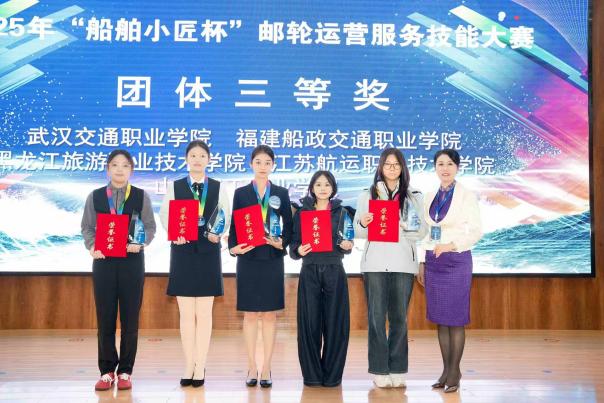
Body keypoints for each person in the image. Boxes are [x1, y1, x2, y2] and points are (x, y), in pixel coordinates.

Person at [81, 149, 156, 391]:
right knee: (105, 318)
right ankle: (106, 372)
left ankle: (125, 371)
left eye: (125, 165)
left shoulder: (141, 196)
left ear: (131, 170)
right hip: (103, 263)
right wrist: (92, 246)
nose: (120, 169)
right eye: (115, 165)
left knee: (130, 319)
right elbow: (87, 227)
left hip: (132, 263)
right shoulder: (95, 197)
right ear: (108, 169)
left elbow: (150, 227)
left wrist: (140, 242)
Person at [353, 148, 428, 388]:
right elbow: (357, 230)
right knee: (376, 318)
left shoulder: (414, 196)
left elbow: (422, 231)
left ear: (402, 168)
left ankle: (397, 368)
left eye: (396, 164)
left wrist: (407, 225)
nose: (392, 168)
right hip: (375, 263)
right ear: (381, 167)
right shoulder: (368, 194)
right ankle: (379, 369)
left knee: (399, 319)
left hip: (403, 263)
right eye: (388, 164)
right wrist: (363, 222)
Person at [159, 140, 230, 388]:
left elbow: (226, 215)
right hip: (183, 252)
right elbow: (165, 215)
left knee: (205, 314)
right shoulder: (176, 186)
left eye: (202, 156)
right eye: (193, 155)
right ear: (186, 159)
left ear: (208, 160)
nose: (197, 160)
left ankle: (201, 365)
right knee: (186, 315)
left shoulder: (218, 187)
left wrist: (219, 233)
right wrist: (174, 233)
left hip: (208, 252)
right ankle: (189, 364)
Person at [417, 148, 482, 393]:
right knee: (441, 320)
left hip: (457, 261)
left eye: (450, 164)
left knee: (455, 320)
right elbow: (426, 232)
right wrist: (421, 262)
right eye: (440, 164)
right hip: (433, 262)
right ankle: (445, 370)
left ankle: (455, 372)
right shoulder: (429, 196)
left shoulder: (467, 195)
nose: (445, 168)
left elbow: (476, 231)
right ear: (435, 167)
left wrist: (451, 245)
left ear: (457, 167)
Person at [228, 145, 293, 388]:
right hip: (248, 258)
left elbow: (290, 226)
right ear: (251, 164)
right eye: (258, 162)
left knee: (269, 314)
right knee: (250, 314)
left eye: (267, 162)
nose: (263, 166)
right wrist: (233, 247)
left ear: (273, 165)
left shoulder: (281, 193)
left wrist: (281, 242)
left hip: (272, 259)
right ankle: (251, 366)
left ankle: (266, 367)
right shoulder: (241, 193)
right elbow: (234, 225)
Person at [290, 170, 354, 387]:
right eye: (318, 184)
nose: (323, 188)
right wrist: (299, 250)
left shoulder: (342, 212)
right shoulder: (301, 212)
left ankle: (332, 376)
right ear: (311, 188)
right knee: (309, 324)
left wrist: (347, 245)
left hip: (335, 270)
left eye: (327, 184)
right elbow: (293, 245)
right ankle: (312, 376)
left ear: (333, 188)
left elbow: (348, 242)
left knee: (336, 324)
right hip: (309, 271)